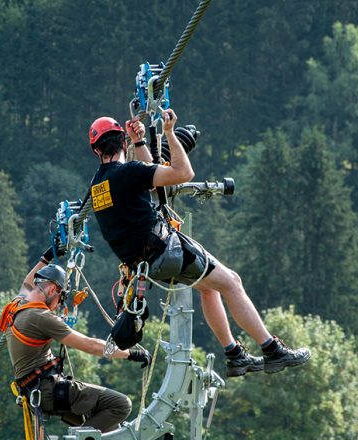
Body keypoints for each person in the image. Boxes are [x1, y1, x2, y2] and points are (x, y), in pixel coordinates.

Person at [87, 110, 311, 377]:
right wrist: (169, 133)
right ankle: (272, 349)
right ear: (121, 142)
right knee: (232, 281)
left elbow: (153, 182)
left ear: (96, 151)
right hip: (165, 250)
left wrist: (140, 143)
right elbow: (182, 173)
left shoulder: (98, 186)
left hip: (147, 266)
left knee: (210, 288)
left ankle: (235, 355)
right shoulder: (128, 172)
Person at [0, 253, 151, 440]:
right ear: (52, 290)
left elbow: (27, 282)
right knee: (121, 405)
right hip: (49, 390)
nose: (58, 305)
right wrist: (131, 354)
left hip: (39, 391)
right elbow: (88, 345)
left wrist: (45, 258)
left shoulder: (17, 306)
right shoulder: (41, 317)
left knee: (109, 430)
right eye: (60, 298)